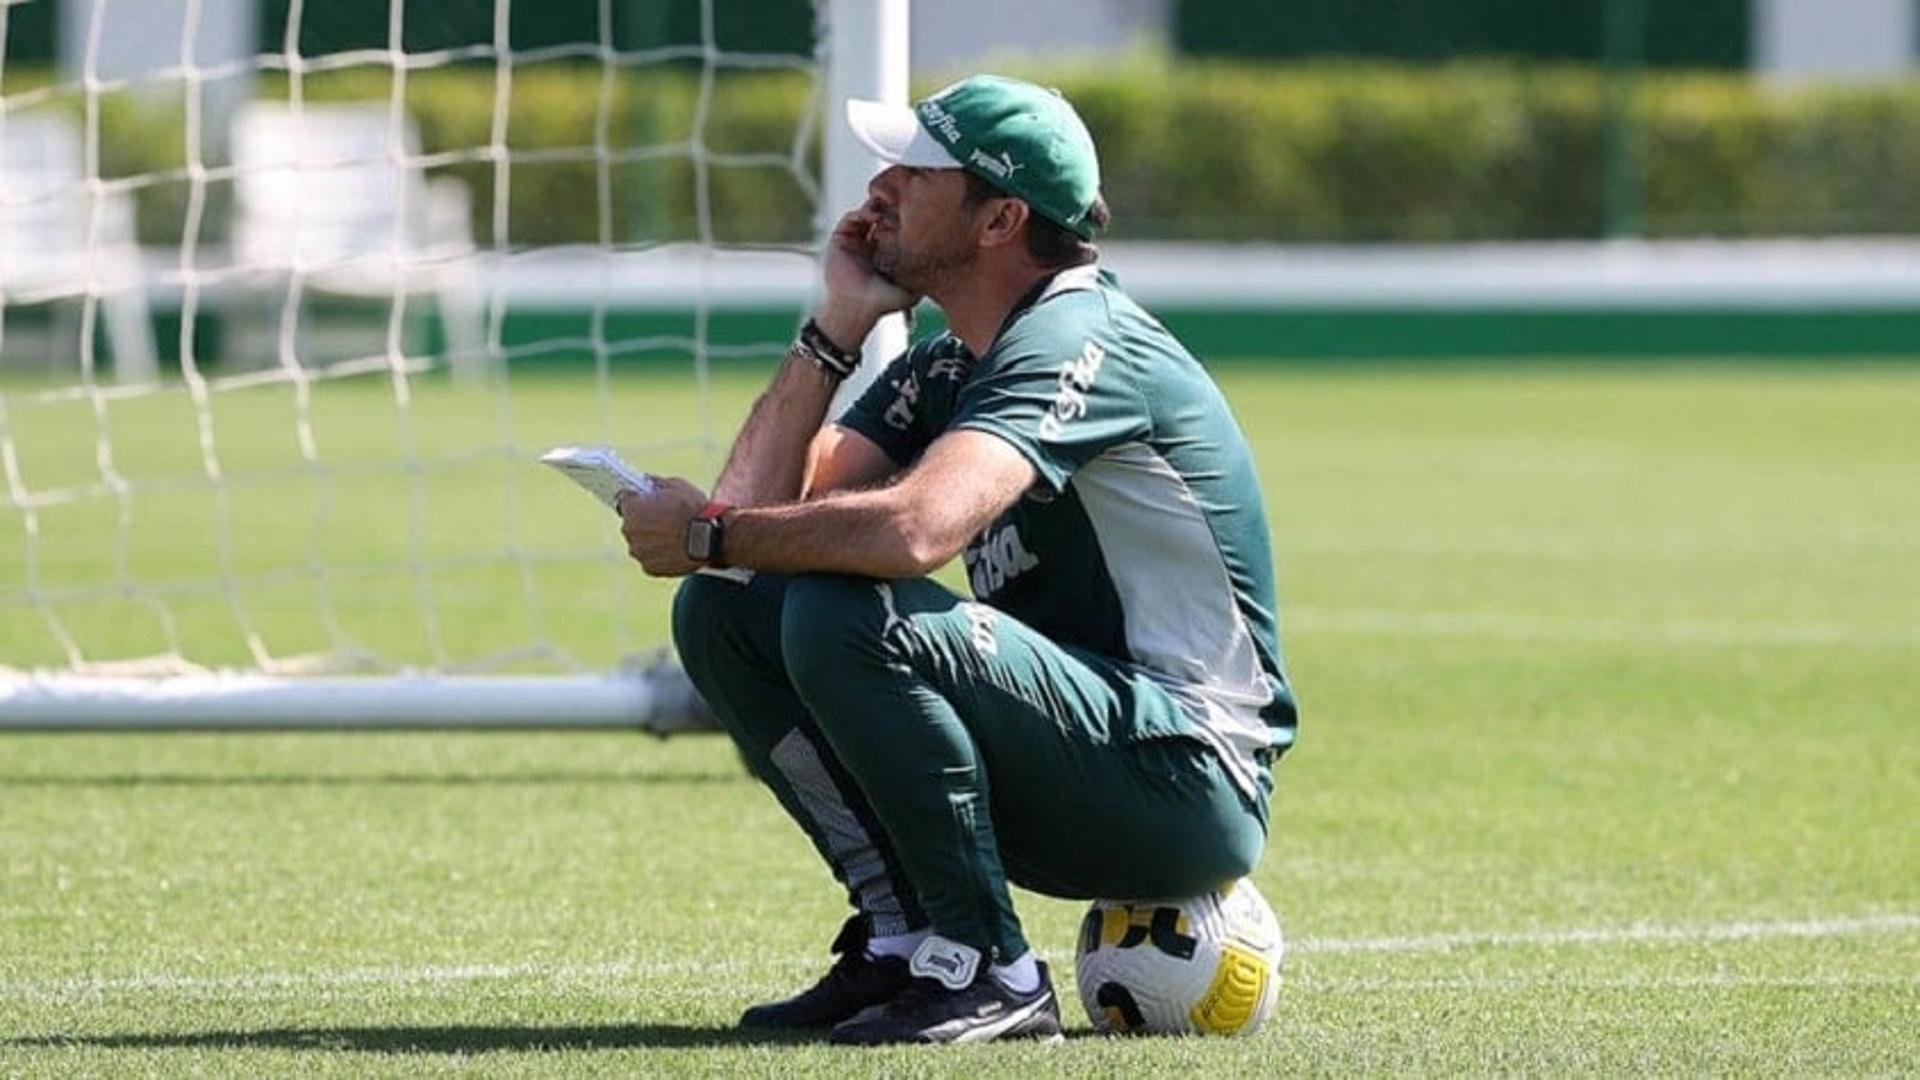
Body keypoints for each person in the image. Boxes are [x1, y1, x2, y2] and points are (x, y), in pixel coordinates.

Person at [618, 74, 1298, 1046]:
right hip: (1071, 758)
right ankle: (908, 946)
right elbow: (754, 523)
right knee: (727, 613)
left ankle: (989, 970)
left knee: (851, 614)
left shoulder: (1078, 339)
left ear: (1000, 220)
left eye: (919, 170)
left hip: (1186, 785)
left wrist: (705, 536)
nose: (882, 184)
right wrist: (837, 323)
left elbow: (912, 533)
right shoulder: (950, 361)